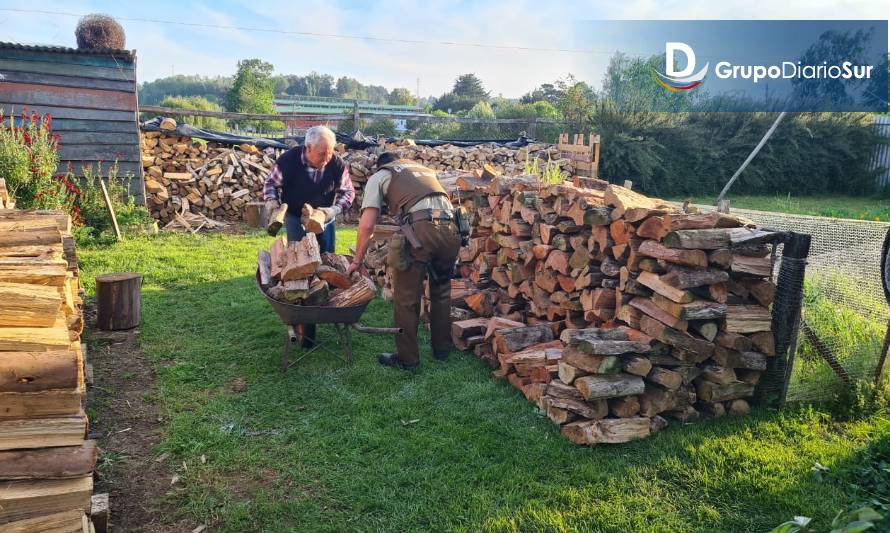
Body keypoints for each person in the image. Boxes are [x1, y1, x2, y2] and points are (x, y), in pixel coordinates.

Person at [346, 152, 461, 371]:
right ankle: (442, 350)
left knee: (406, 299)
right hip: (452, 230)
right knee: (441, 293)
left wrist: (358, 259)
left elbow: (367, 225)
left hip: (421, 231)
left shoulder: (381, 175)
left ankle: (408, 359)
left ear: (381, 165)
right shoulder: (425, 170)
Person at [264, 125, 355, 347]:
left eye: (331, 152)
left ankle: (326, 311)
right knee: (300, 269)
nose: (327, 157)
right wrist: (272, 203)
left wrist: (332, 211)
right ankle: (304, 323)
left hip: (324, 219)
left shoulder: (336, 163)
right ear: (308, 148)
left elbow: (348, 192)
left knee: (326, 265)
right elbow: (270, 185)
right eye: (322, 153)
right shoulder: (288, 161)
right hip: (295, 217)